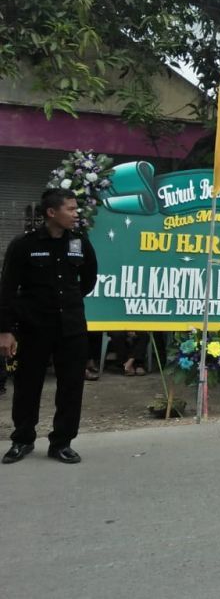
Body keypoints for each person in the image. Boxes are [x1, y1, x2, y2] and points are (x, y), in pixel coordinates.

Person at [1, 189, 98, 464]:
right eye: (70, 209)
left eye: (76, 208)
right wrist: (5, 330)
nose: (75, 213)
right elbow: (7, 288)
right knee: (27, 386)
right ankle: (22, 439)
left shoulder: (80, 243)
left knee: (71, 388)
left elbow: (89, 279)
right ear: (51, 213)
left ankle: (62, 442)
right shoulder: (24, 245)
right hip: (33, 327)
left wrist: (69, 299)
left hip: (72, 328)